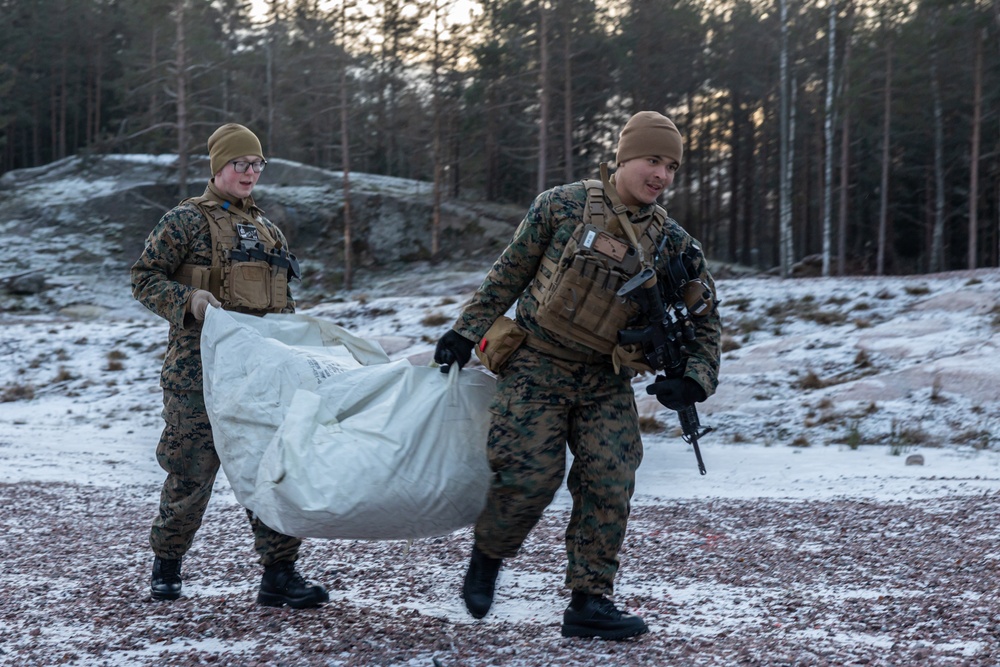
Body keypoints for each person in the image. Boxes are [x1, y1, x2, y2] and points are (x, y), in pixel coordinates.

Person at [434, 111, 721, 640]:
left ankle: (590, 600)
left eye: (672, 166)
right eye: (652, 160)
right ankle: (488, 556)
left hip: (605, 379)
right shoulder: (561, 205)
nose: (661, 175)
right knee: (529, 479)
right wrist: (463, 332)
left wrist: (695, 380)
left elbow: (705, 324)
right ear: (624, 157)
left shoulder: (676, 244)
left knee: (609, 480)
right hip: (536, 366)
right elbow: (509, 273)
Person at [131, 123, 328, 608]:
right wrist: (189, 300)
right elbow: (143, 278)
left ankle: (279, 575)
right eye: (241, 163)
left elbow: (284, 307)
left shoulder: (268, 229)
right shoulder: (184, 221)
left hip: (259, 377)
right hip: (195, 375)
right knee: (190, 473)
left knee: (270, 471)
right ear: (218, 166)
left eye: (257, 164)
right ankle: (167, 567)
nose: (250, 172)